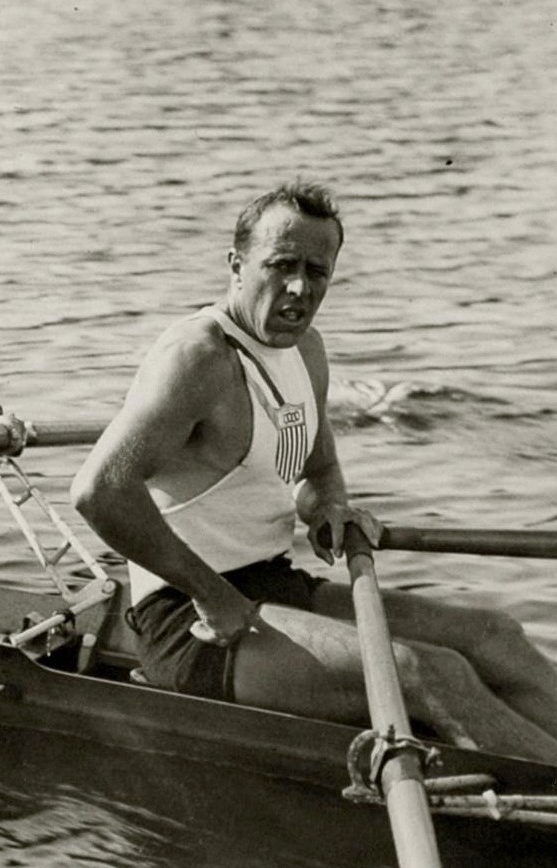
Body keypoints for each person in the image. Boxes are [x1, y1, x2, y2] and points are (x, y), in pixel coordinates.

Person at [71, 181, 557, 763]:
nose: (300, 287)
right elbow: (99, 492)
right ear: (236, 264)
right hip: (191, 621)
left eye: (317, 271)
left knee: (494, 636)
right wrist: (211, 595)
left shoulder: (306, 351)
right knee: (431, 673)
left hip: (276, 586)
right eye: (281, 265)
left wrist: (327, 506)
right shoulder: (198, 359)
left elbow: (318, 466)